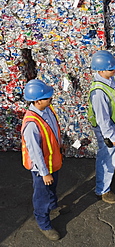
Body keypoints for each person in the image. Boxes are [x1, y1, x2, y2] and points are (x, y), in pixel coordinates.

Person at [21, 79, 63, 241]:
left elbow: (53, 130)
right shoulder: (32, 124)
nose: (51, 99)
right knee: (42, 195)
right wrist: (44, 173)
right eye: (48, 97)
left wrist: (60, 145)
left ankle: (53, 206)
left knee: (52, 188)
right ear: (37, 101)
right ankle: (43, 222)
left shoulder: (47, 109)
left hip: (53, 160)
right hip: (42, 168)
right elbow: (35, 152)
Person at [87, 50, 115, 204]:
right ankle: (102, 190)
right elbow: (103, 120)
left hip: (114, 126)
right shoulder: (98, 93)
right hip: (107, 131)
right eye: (111, 69)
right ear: (101, 70)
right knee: (106, 157)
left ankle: (110, 172)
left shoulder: (109, 80)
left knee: (111, 156)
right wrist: (112, 136)